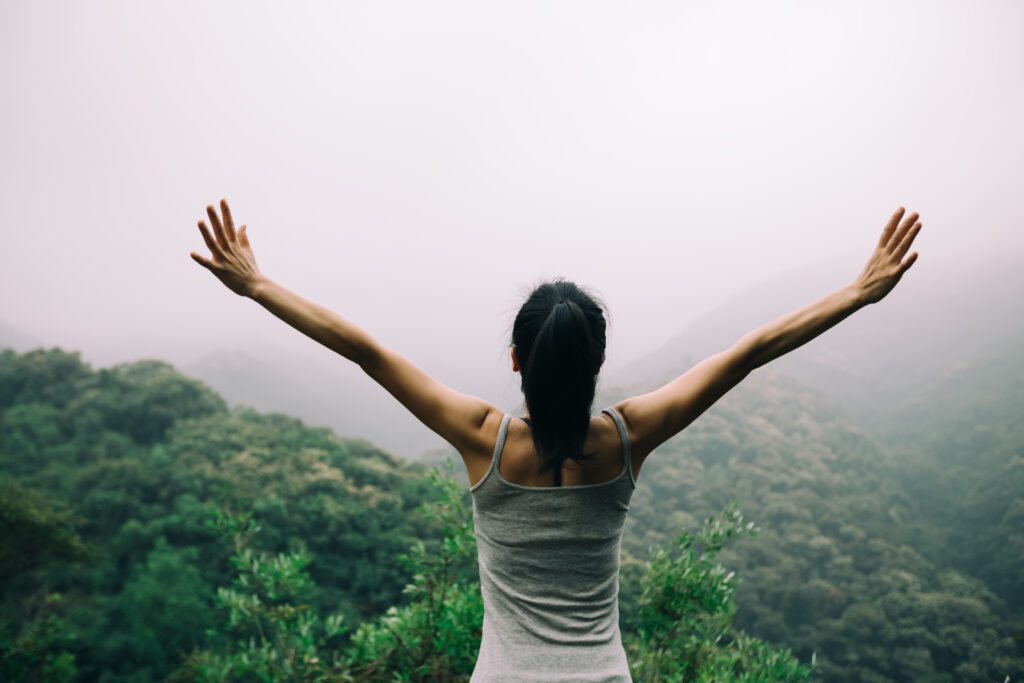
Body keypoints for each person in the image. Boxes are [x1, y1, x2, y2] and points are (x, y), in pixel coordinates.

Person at [190, 200, 922, 681]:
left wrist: (258, 286)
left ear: (516, 358)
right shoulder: (628, 440)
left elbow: (365, 351)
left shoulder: (484, 439)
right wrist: (855, 293)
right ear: (598, 362)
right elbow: (751, 349)